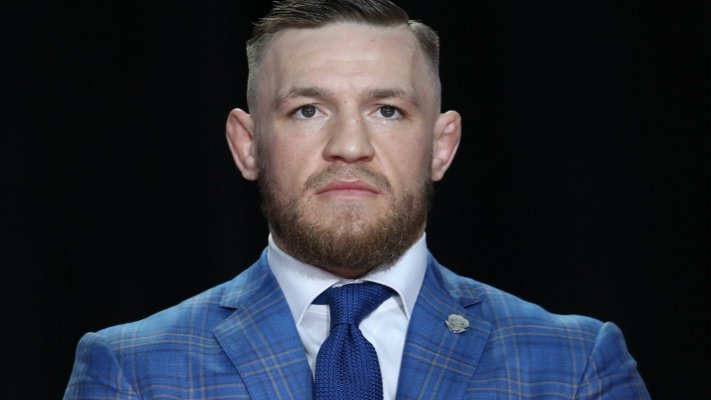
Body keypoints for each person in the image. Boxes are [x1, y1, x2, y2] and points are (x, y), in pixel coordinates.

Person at [64, 0, 650, 399]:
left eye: (387, 110)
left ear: (442, 146)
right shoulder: (134, 371)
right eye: (307, 110)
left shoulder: (574, 365)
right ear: (247, 145)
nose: (349, 146)